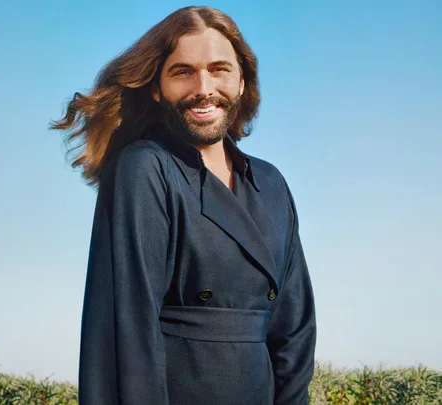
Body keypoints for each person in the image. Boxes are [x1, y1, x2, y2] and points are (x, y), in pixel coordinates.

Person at [51, 6, 316, 405]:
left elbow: (295, 328)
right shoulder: (145, 167)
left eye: (219, 70)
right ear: (157, 87)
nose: (203, 87)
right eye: (183, 71)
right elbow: (127, 329)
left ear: (242, 82)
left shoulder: (271, 183)